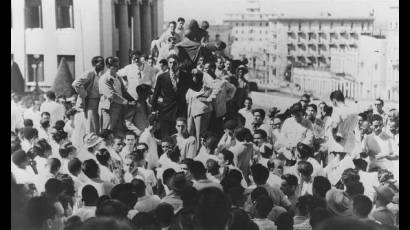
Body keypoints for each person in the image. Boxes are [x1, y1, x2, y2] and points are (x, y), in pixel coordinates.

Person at [152, 55, 190, 138]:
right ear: (168, 64)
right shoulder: (162, 77)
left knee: (180, 136)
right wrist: (153, 110)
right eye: (170, 63)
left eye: (174, 63)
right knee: (166, 136)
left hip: (181, 110)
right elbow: (156, 94)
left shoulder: (185, 76)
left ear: (179, 64)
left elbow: (195, 88)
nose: (172, 65)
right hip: (166, 111)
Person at [99, 56, 135, 136]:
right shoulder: (104, 79)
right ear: (108, 66)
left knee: (118, 132)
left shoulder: (118, 77)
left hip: (119, 108)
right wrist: (127, 102)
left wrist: (133, 100)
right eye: (115, 66)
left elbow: (123, 91)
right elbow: (111, 95)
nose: (117, 68)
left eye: (118, 65)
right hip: (109, 110)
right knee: (107, 132)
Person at [203, 61, 237, 137]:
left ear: (212, 69)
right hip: (207, 109)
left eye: (207, 68)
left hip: (219, 111)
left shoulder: (222, 81)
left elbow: (233, 88)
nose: (205, 70)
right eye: (204, 68)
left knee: (217, 130)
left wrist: (227, 98)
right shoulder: (203, 80)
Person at [72, 56, 105, 134]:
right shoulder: (90, 73)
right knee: (90, 128)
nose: (103, 65)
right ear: (94, 64)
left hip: (97, 103)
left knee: (96, 127)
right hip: (90, 103)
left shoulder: (98, 75)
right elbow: (76, 83)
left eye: (103, 63)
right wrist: (84, 94)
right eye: (101, 63)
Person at [327, 90, 361, 156]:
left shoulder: (337, 111)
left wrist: (334, 137)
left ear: (334, 101)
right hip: (351, 138)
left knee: (338, 162)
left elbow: (334, 126)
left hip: (340, 140)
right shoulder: (353, 110)